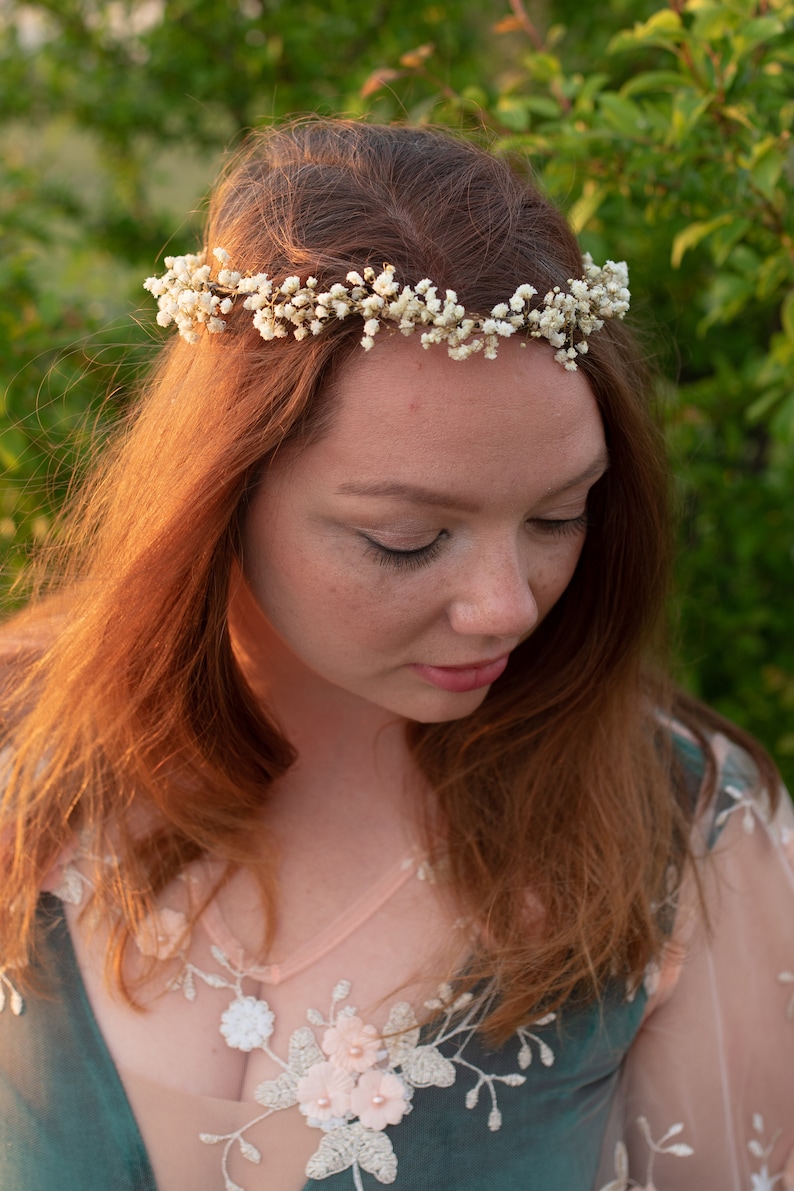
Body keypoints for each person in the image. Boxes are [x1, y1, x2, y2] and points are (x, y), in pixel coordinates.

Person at [0, 118, 792, 1191]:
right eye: (405, 540)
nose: (504, 608)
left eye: (558, 518)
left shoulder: (689, 837)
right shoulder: (21, 746)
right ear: (219, 495)